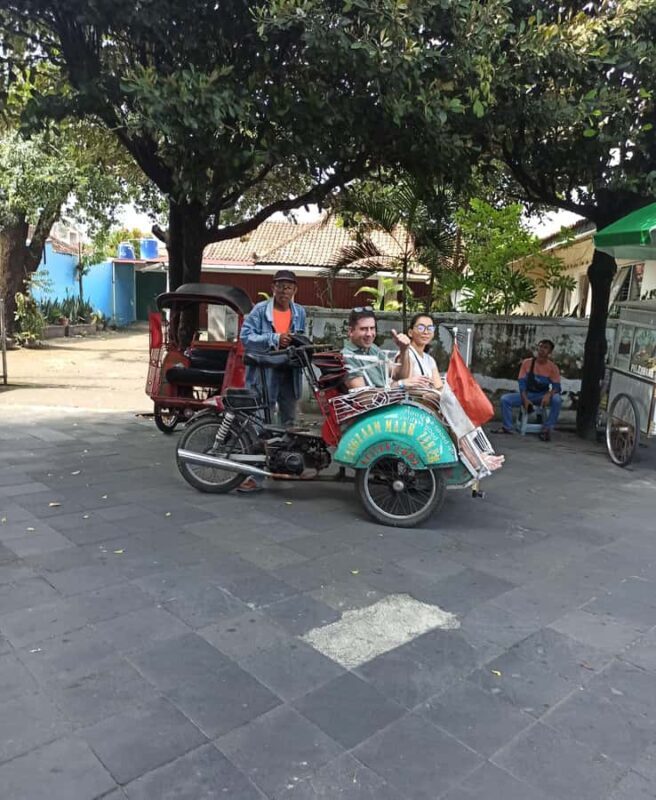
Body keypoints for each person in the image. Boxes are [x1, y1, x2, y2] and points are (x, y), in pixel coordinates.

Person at [238, 270, 306, 492]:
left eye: (288, 287)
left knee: (289, 425)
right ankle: (255, 477)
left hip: (289, 374)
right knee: (260, 426)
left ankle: (283, 466)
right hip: (264, 376)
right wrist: (275, 338)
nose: (284, 291)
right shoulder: (259, 310)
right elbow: (246, 338)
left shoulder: (300, 313)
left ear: (295, 290)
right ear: (272, 288)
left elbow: (302, 338)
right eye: (280, 286)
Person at [342, 307, 432, 390]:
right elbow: (364, 398)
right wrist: (400, 384)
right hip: (375, 406)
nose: (369, 334)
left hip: (389, 402)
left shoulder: (372, 348)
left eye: (372, 328)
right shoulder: (347, 356)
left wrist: (404, 349)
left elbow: (398, 375)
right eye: (363, 329)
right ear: (350, 331)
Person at [499, 339, 562, 441]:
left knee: (557, 399)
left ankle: (547, 428)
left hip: (542, 396)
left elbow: (557, 387)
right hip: (527, 394)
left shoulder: (553, 367)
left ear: (550, 352)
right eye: (540, 346)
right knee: (505, 399)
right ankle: (507, 427)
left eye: (545, 348)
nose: (542, 349)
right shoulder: (527, 363)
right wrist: (525, 399)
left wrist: (549, 394)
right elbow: (522, 383)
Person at [400, 313, 444, 390]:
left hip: (430, 399)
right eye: (421, 328)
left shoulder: (430, 360)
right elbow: (407, 389)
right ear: (410, 332)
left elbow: (438, 386)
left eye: (430, 328)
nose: (426, 332)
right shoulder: (406, 354)